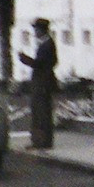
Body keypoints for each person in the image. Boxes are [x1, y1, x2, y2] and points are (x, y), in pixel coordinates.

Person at [18, 18, 58, 150]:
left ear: (41, 30)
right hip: (41, 82)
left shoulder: (47, 44)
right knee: (39, 112)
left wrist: (25, 59)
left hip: (42, 83)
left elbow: (40, 64)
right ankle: (40, 140)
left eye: (36, 29)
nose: (34, 31)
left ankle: (42, 141)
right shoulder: (46, 43)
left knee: (41, 113)